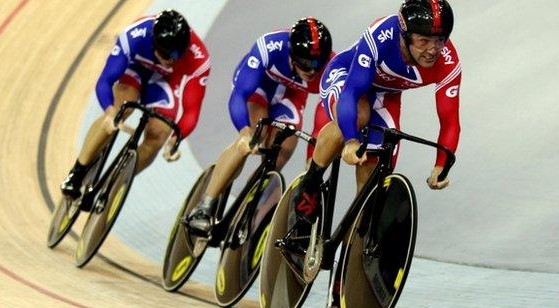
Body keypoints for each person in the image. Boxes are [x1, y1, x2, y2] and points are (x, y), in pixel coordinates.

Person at [293, 0, 461, 223]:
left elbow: (450, 121)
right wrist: (351, 140)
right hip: (347, 77)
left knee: (381, 158)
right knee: (360, 113)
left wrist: (442, 164)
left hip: (384, 96)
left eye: (440, 41)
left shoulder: (449, 62)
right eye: (424, 41)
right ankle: (310, 183)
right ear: (405, 35)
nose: (433, 50)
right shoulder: (382, 34)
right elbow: (352, 92)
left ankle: (357, 231)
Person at [186, 17, 334, 235]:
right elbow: (240, 95)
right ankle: (204, 206)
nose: (312, 71)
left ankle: (249, 206)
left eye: (317, 64)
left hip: (291, 96)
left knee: (283, 149)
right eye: (305, 63)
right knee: (256, 135)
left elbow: (325, 118)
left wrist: (312, 159)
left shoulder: (331, 67)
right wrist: (244, 132)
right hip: (260, 86)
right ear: (292, 54)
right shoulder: (270, 46)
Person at [61, 9, 211, 198]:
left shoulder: (198, 58)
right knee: (118, 112)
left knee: (159, 134)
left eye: (177, 54)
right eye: (167, 54)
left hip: (166, 82)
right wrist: (108, 111)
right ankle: (78, 172)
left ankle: (114, 186)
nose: (172, 59)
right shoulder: (134, 35)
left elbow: (191, 110)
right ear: (154, 43)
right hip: (136, 70)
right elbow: (105, 81)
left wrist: (175, 139)